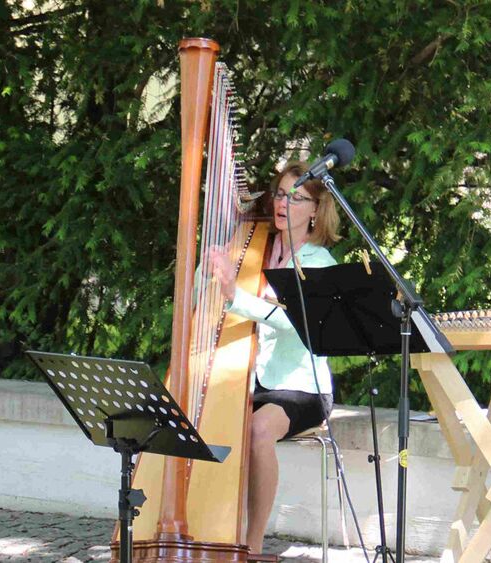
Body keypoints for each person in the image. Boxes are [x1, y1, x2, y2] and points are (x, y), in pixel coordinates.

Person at [211, 161, 341, 560]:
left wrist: (235, 296)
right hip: (256, 382)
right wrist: (211, 265)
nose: (285, 203)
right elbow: (210, 283)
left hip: (304, 387)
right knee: (208, 421)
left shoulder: (319, 263)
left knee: (258, 431)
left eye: (297, 197)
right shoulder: (256, 245)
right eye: (281, 194)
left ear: (316, 210)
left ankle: (251, 545)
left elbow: (290, 320)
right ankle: (209, 529)